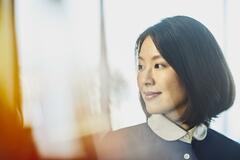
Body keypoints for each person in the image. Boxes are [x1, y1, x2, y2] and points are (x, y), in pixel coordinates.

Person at [98, 16, 240, 160]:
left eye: (158, 65)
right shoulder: (114, 148)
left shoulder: (233, 152)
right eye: (140, 66)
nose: (145, 80)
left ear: (194, 71)